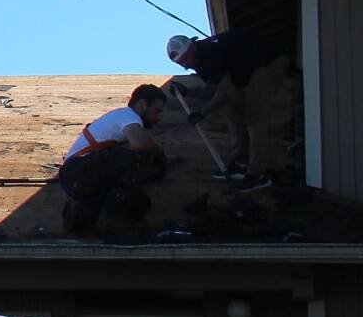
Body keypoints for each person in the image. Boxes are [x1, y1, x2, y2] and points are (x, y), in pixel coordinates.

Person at [166, 30, 287, 189]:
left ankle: (257, 174)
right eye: (181, 63)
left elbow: (225, 91)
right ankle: (240, 162)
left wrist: (202, 113)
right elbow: (216, 91)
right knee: (232, 110)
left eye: (186, 59)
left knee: (255, 114)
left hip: (270, 62)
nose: (185, 64)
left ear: (193, 47)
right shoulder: (201, 65)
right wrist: (187, 92)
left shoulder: (210, 53)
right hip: (245, 76)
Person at [58, 84, 169, 234]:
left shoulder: (119, 120)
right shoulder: (128, 115)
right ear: (142, 104)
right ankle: (111, 219)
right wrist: (160, 155)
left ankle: (81, 217)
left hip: (78, 179)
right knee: (142, 158)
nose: (159, 118)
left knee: (140, 203)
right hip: (77, 172)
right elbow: (140, 144)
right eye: (157, 111)